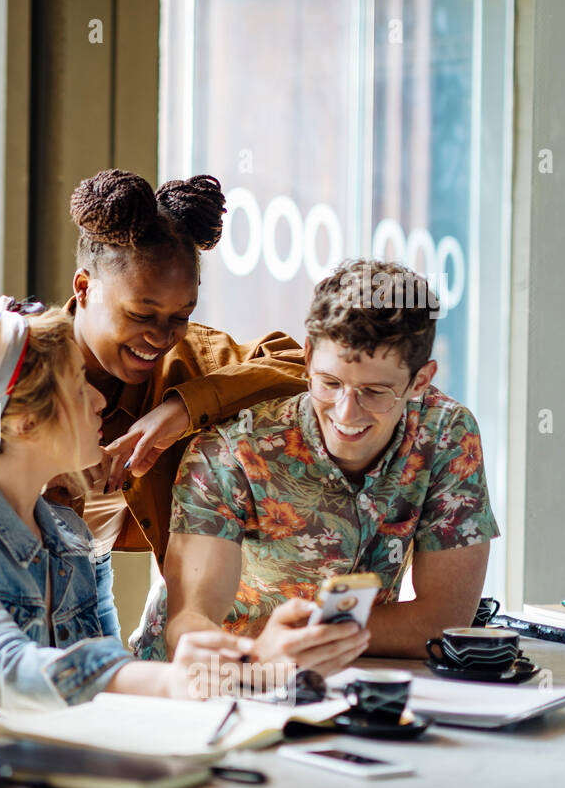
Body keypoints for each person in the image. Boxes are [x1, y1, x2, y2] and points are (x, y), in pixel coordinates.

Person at [0, 169, 354, 674]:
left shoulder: (187, 362)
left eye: (180, 315)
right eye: (142, 313)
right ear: (84, 287)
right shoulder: (18, 361)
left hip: (82, 602)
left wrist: (183, 408)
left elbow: (307, 368)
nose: (162, 335)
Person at [0, 300, 341, 717]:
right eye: (79, 387)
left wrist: (252, 662)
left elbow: (112, 686)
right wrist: (175, 680)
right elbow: (5, 671)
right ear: (27, 422)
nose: (100, 400)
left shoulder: (70, 532)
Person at [155, 258, 500, 664]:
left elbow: (442, 621)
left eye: (375, 392)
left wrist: (305, 636)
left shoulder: (445, 434)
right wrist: (265, 651)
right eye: (330, 383)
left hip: (353, 680)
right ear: (307, 359)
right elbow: (189, 626)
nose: (346, 413)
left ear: (420, 381)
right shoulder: (232, 454)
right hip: (220, 685)